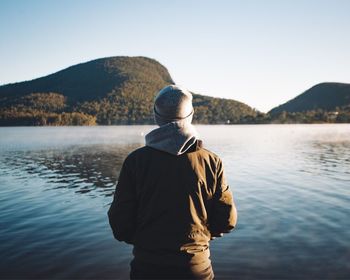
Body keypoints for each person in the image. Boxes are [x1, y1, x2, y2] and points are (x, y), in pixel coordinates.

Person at [108, 85, 237, 279]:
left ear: (156, 117)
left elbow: (120, 223)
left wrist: (146, 243)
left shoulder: (135, 161)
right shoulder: (212, 162)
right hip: (196, 269)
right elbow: (227, 220)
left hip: (147, 268)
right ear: (191, 116)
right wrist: (200, 238)